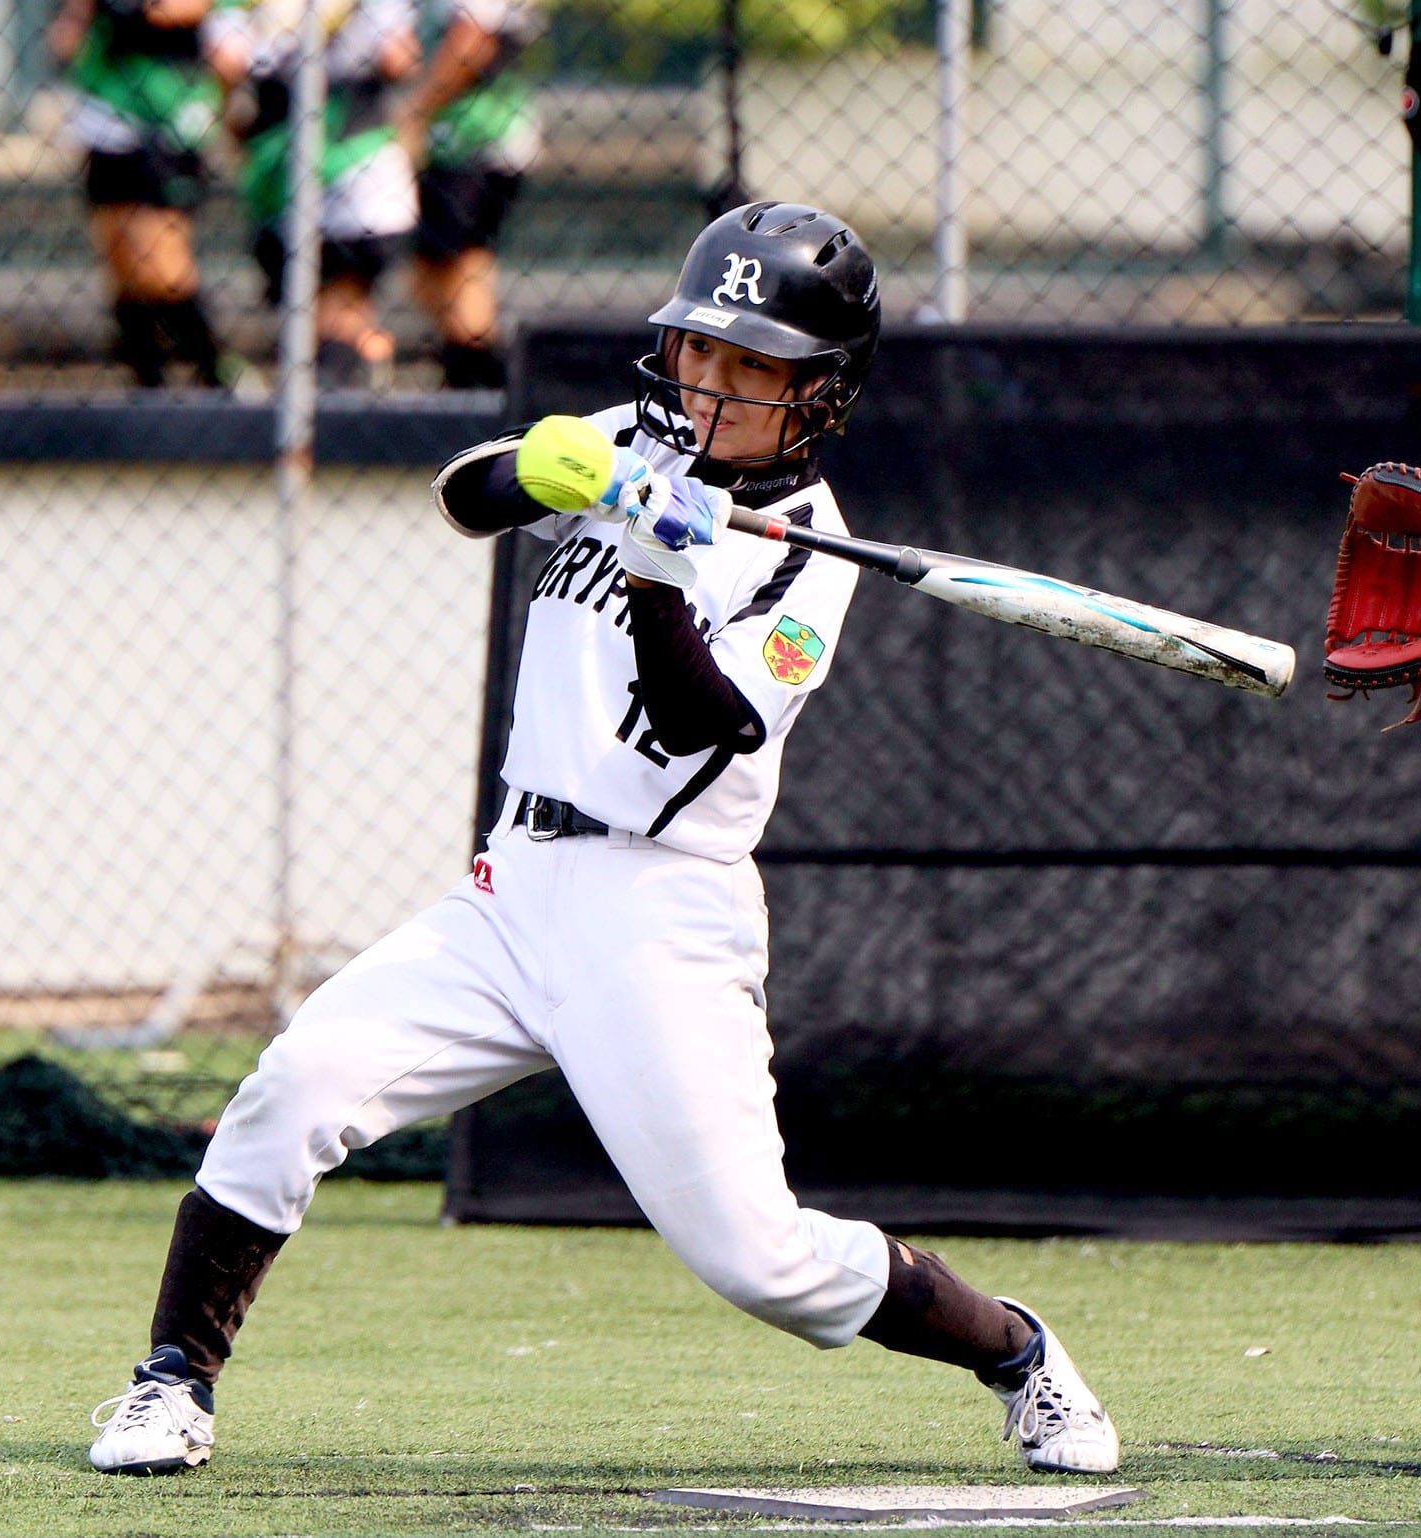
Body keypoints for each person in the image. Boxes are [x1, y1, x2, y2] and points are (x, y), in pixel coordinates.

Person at [83, 201, 1122, 1479]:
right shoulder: (635, 434)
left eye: (752, 367)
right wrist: (555, 470)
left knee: (764, 1262)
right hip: (510, 888)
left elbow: (703, 726)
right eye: (699, 351)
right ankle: (170, 1381)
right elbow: (465, 499)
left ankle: (1015, 1352)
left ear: (817, 390)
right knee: (294, 1085)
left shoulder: (814, 558)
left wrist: (655, 568)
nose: (711, 386)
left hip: (660, 920)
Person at [206, 0, 420, 389]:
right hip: (322, 166)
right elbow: (398, 55)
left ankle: (343, 383)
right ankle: (358, 363)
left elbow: (228, 62)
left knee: (333, 305)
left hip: (341, 163)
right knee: (327, 309)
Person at [48, 0, 234, 388]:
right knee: (120, 259)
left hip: (166, 117)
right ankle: (148, 382)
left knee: (161, 263)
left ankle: (217, 373)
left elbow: (187, 13)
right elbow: (67, 38)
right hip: (105, 113)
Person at [391, 0, 540, 389]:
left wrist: (416, 109)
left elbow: (472, 41)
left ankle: (480, 393)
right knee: (429, 275)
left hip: (476, 139)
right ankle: (477, 381)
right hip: (455, 143)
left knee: (462, 273)